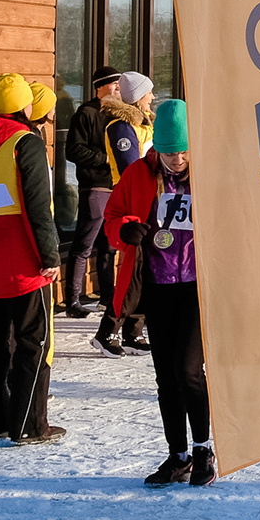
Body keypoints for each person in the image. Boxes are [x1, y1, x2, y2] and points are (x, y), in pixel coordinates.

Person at [101, 97, 212, 485]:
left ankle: (204, 450)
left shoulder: (209, 174)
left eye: (182, 151)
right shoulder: (138, 174)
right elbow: (112, 215)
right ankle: (177, 455)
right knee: (166, 376)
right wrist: (126, 228)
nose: (177, 159)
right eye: (168, 152)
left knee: (189, 371)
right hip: (158, 285)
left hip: (199, 287)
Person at [0, 73, 63, 447]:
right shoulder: (27, 142)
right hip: (23, 257)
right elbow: (38, 205)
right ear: (26, 106)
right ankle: (30, 424)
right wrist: (49, 255)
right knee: (32, 342)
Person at [91, 73, 157, 355]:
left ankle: (133, 329)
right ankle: (107, 331)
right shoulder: (121, 127)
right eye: (148, 93)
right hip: (131, 198)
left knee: (145, 266)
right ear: (137, 96)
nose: (152, 98)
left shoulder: (142, 124)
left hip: (150, 198)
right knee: (133, 267)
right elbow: (132, 167)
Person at [59, 65, 122, 316]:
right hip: (94, 186)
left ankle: (107, 296)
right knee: (84, 243)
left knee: (109, 246)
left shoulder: (120, 113)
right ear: (100, 87)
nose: (118, 87)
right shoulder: (85, 113)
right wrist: (106, 158)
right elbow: (73, 150)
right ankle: (72, 300)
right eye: (113, 83)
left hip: (114, 186)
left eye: (119, 83)